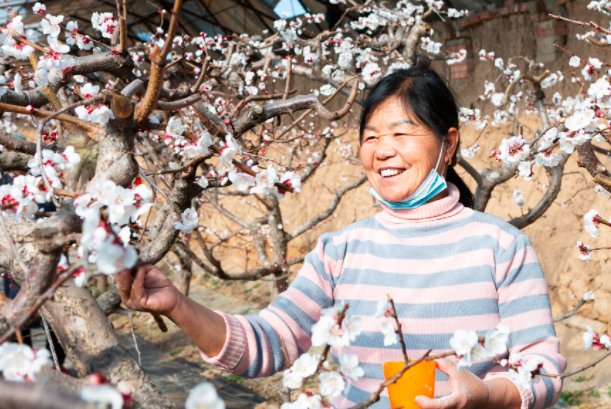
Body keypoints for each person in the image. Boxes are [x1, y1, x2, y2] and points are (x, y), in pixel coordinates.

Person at [118, 67, 566, 409]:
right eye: (371, 136)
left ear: (448, 145)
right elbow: (268, 343)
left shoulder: (500, 245)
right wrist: (177, 305)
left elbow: (542, 372)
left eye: (401, 133)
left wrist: (485, 395)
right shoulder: (341, 250)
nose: (382, 150)